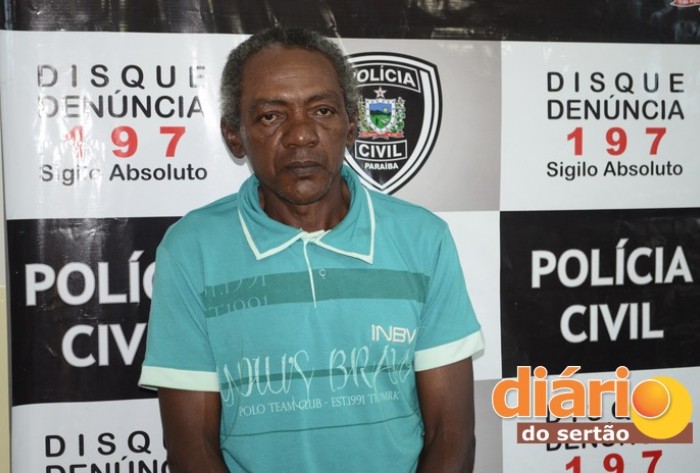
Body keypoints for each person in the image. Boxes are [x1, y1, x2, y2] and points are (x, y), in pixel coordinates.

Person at [139, 27, 483, 472]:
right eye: (270, 116)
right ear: (233, 136)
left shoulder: (422, 239)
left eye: (322, 110)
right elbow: (191, 447)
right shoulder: (192, 249)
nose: (301, 135)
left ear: (352, 124)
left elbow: (451, 435)